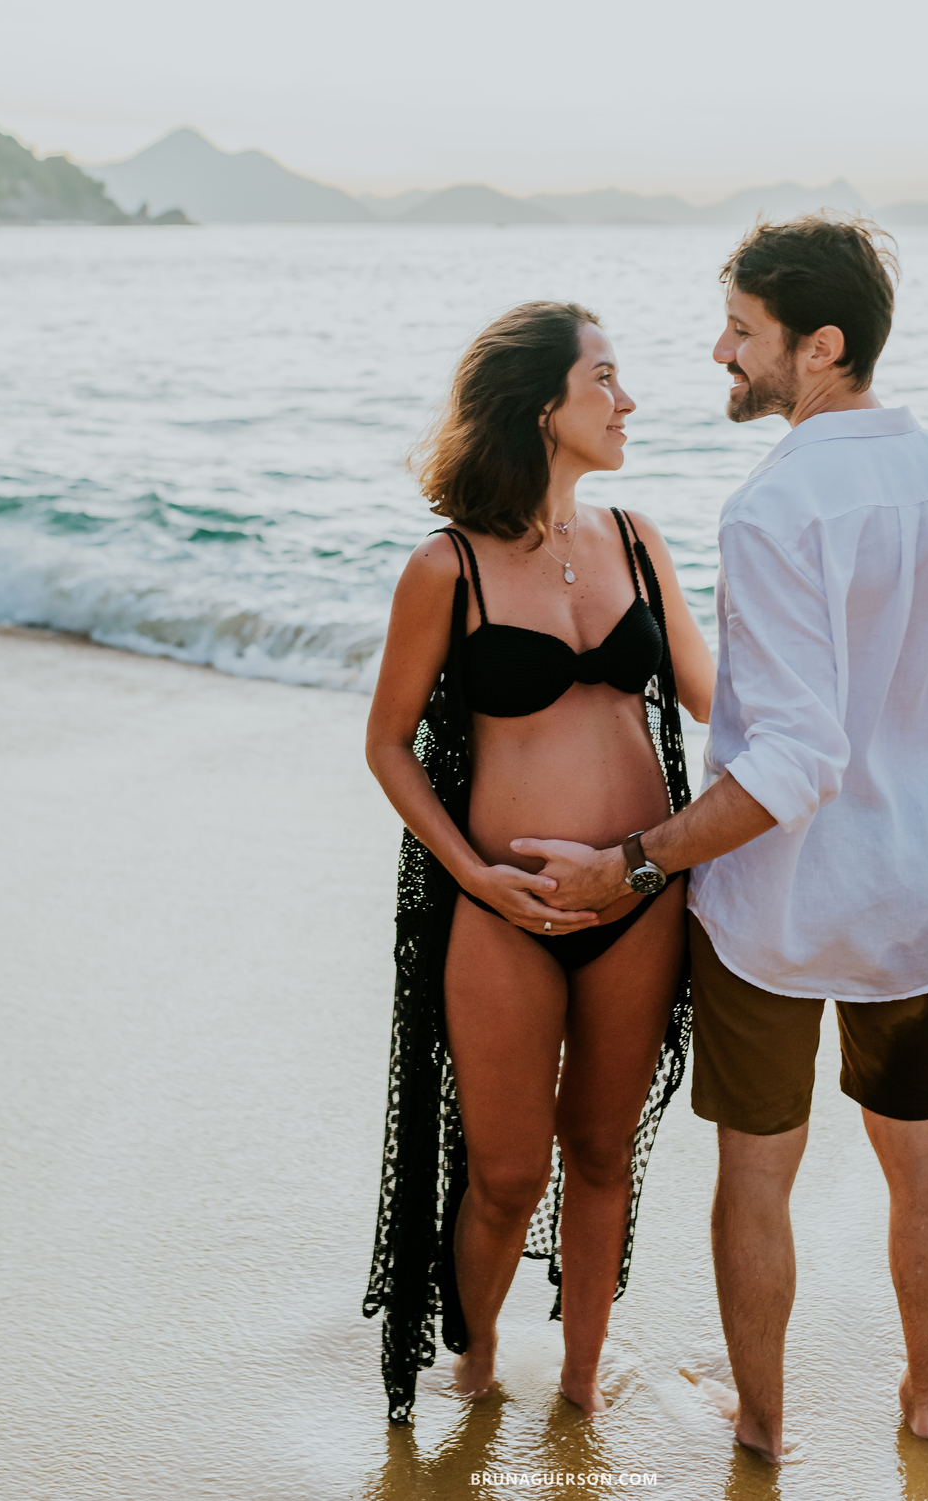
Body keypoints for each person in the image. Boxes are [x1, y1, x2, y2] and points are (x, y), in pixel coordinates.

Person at [516, 217, 928, 1461]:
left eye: (742, 333)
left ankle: (763, 1429)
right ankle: (926, 1405)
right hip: (920, 903)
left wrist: (632, 861)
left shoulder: (771, 509)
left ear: (821, 347)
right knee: (923, 1153)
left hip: (772, 914)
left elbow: (790, 764)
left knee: (759, 1169)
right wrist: (915, 837)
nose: (719, 353)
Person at [362, 301, 715, 1423]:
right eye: (604, 378)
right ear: (542, 408)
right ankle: (474, 1374)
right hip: (503, 909)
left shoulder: (638, 541)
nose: (626, 400)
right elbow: (387, 741)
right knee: (508, 1173)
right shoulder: (446, 567)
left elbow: (720, 701)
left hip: (644, 898)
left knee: (604, 1153)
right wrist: (472, 872)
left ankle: (577, 1392)